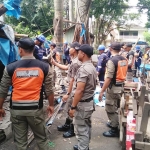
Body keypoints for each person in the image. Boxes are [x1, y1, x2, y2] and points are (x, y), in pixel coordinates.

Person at [0, 37, 54, 150]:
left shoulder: (10, 67)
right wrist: (51, 105)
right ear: (34, 49)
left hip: (16, 110)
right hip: (35, 110)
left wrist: (0, 107)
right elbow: (49, 89)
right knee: (42, 139)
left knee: (20, 142)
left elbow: (3, 90)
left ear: (20, 50)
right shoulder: (44, 67)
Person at [69, 44, 97, 150]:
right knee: (86, 126)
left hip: (83, 104)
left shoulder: (84, 69)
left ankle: (83, 147)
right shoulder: (91, 67)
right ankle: (84, 146)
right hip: (89, 102)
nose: (78, 54)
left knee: (81, 129)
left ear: (83, 54)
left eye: (79, 52)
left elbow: (80, 90)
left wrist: (73, 107)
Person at [52, 42, 82, 138]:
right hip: (71, 87)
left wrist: (68, 93)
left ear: (75, 49)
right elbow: (66, 67)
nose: (69, 49)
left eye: (71, 47)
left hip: (73, 89)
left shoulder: (76, 62)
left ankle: (72, 129)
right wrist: (54, 63)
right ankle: (67, 124)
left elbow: (73, 80)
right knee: (69, 107)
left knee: (73, 109)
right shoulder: (74, 60)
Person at [99, 42, 128, 137]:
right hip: (121, 87)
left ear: (111, 49)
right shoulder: (124, 59)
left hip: (113, 88)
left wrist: (102, 90)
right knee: (117, 107)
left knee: (110, 108)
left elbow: (109, 77)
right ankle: (114, 122)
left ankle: (114, 129)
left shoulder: (112, 61)